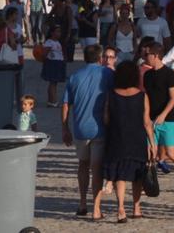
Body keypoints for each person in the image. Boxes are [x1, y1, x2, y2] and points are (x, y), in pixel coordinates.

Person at [95, 59, 154, 222]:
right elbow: (147, 122)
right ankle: (136, 208)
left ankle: (121, 208)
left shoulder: (111, 94)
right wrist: (153, 143)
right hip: (137, 139)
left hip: (117, 138)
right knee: (137, 175)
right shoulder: (142, 96)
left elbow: (106, 118)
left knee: (120, 174)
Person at [62, 44, 115, 218]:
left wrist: (65, 128)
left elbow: (65, 105)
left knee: (83, 165)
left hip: (80, 128)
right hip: (100, 128)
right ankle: (96, 209)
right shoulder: (107, 74)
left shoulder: (75, 76)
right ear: (100, 58)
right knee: (97, 168)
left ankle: (82, 202)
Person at [141, 41, 174, 176]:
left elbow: (173, 98)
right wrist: (146, 115)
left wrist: (163, 115)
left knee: (171, 152)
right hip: (151, 119)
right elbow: (146, 95)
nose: (144, 57)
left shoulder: (170, 74)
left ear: (156, 55)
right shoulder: (147, 74)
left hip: (169, 119)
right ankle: (148, 182)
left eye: (147, 54)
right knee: (149, 152)